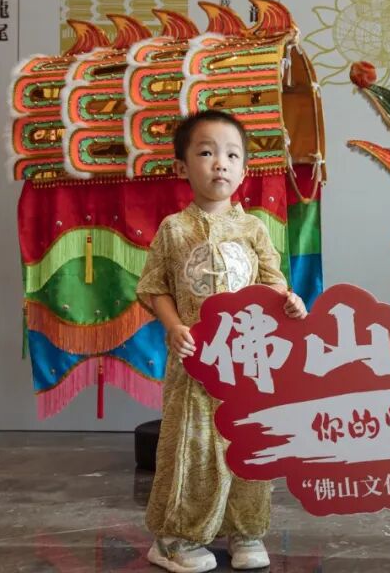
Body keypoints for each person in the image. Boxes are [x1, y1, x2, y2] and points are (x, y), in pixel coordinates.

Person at [136, 109, 307, 573]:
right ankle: (174, 538)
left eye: (232, 155)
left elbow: (273, 284)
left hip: (249, 362)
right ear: (182, 166)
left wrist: (290, 302)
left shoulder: (253, 229)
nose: (220, 164)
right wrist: (174, 326)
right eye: (207, 153)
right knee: (194, 448)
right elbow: (153, 287)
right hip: (195, 363)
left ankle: (245, 530)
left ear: (244, 170)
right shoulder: (174, 229)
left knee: (249, 442)